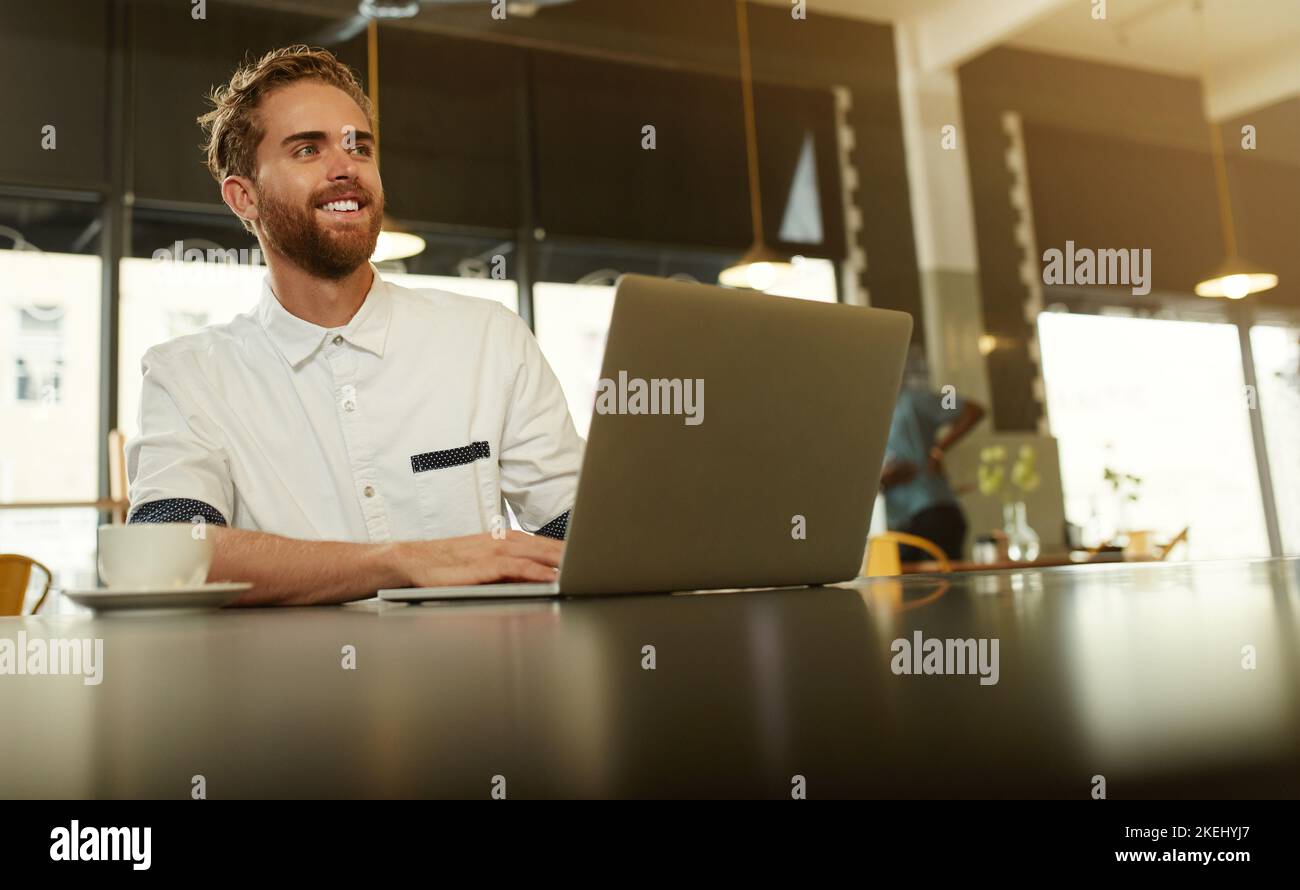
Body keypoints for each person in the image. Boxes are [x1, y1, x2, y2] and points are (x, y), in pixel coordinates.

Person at [125, 46, 579, 606]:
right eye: (308, 148)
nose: (345, 166)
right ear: (244, 198)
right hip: (289, 691)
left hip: (479, 683)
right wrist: (406, 562)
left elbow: (576, 526)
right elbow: (168, 553)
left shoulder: (489, 339)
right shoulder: (187, 376)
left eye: (357, 145)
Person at [879, 353, 986, 563]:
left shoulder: (915, 401)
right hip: (901, 523)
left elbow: (973, 411)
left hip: (934, 514)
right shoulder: (868, 417)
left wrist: (938, 450)